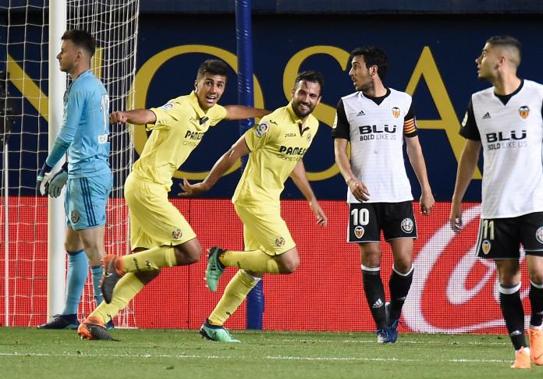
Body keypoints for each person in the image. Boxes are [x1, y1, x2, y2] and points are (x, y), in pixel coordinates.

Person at [76, 58, 269, 340]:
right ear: (197, 84)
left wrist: (269, 113)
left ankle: (95, 320)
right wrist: (127, 115)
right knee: (190, 252)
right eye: (208, 83)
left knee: (148, 268)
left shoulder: (211, 112)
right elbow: (151, 115)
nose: (213, 90)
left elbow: (231, 111)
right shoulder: (180, 107)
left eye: (219, 85)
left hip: (148, 187)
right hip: (146, 188)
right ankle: (118, 264)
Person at [449, 36, 543, 368]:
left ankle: (536, 326)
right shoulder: (478, 102)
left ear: (501, 60)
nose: (478, 59)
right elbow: (470, 153)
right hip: (495, 206)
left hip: (535, 202)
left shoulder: (540, 95)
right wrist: (457, 200)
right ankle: (520, 350)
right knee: (507, 277)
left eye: (484, 53)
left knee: (538, 269)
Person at [179, 70, 328, 343]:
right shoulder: (273, 123)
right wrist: (206, 184)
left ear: (319, 100)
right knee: (289, 262)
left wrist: (312, 199)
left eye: (312, 95)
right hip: (252, 198)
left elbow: (294, 160)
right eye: (302, 92)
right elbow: (234, 152)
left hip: (270, 200)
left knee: (255, 269)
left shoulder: (313, 126)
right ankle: (221, 258)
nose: (306, 99)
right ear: (293, 93)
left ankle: (214, 324)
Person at [332, 46, 435, 344]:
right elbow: (339, 149)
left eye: (356, 67)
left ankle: (394, 313)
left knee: (404, 260)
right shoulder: (346, 104)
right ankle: (383, 328)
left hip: (398, 193)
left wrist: (425, 188)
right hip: (363, 195)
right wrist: (350, 179)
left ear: (373, 69)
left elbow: (413, 145)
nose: (351, 73)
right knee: (372, 255)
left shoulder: (403, 102)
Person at [35, 30, 111, 330]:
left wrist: (47, 168)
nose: (58, 55)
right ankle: (68, 313)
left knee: (94, 249)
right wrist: (67, 170)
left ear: (78, 55)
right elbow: (88, 134)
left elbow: (66, 135)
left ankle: (103, 316)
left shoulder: (81, 88)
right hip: (81, 171)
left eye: (63, 50)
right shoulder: (91, 86)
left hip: (89, 176)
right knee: (73, 245)